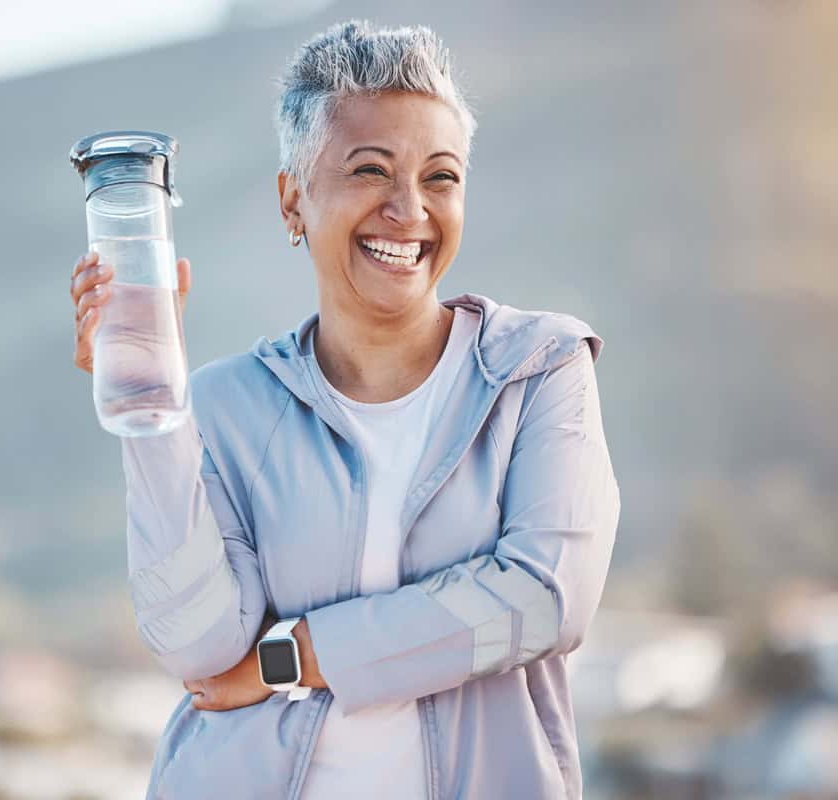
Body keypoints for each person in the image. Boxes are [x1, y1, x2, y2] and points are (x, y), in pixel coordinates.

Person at [68, 19, 620, 800]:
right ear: (294, 198)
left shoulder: (536, 370)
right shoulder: (223, 403)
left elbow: (542, 600)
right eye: (370, 170)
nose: (409, 209)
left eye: (441, 177)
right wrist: (153, 401)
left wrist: (293, 657)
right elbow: (197, 643)